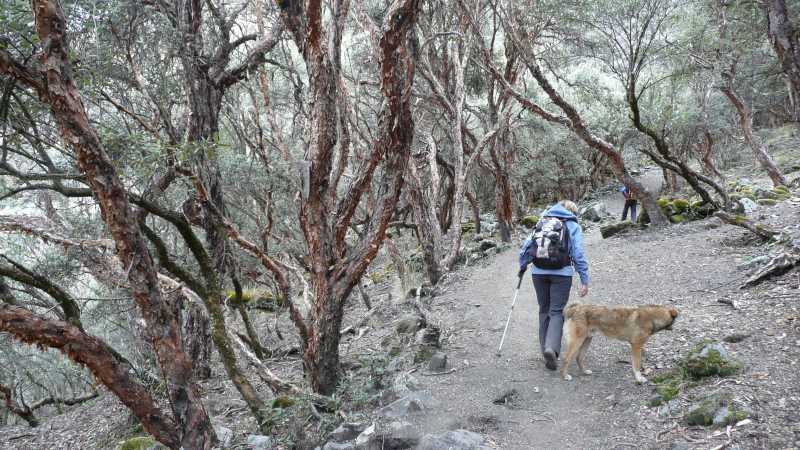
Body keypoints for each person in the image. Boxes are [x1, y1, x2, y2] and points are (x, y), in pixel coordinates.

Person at [518, 200, 590, 371]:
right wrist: (584, 278)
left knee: (543, 310)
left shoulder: (542, 222)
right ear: (572, 212)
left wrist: (522, 265)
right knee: (556, 311)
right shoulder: (572, 224)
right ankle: (552, 349)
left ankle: (546, 351)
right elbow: (578, 253)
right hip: (562, 273)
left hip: (538, 272)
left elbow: (526, 246)